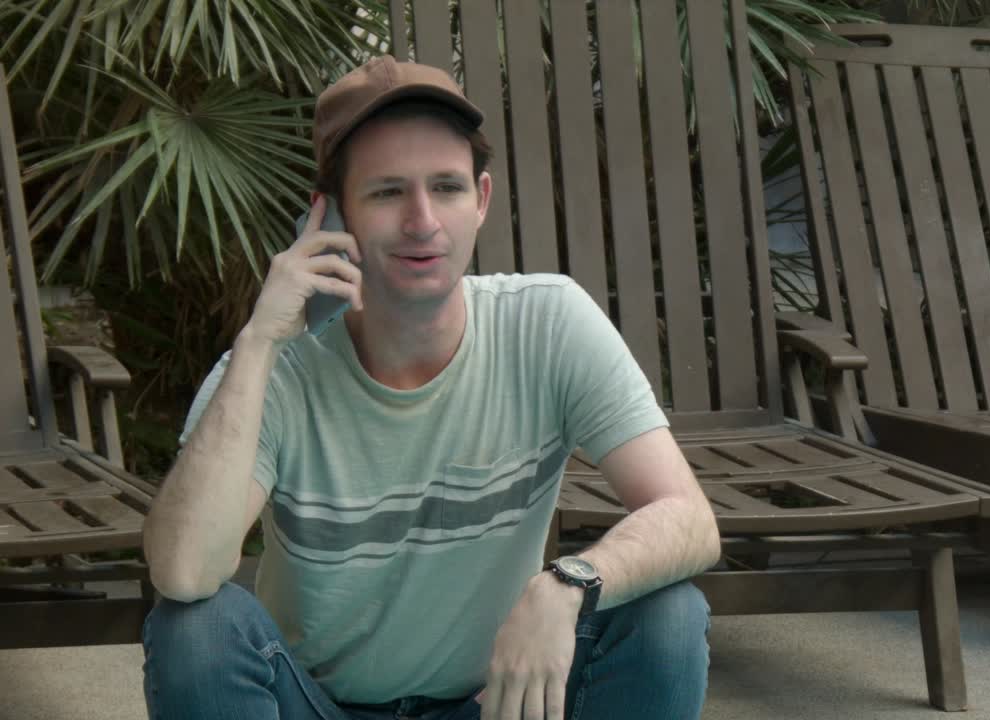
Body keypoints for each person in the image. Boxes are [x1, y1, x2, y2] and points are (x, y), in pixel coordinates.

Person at [140, 55, 721, 720]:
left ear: (481, 200)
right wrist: (258, 342)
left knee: (667, 611)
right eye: (388, 192)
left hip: (495, 705)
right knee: (197, 630)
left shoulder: (548, 323)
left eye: (446, 187)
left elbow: (688, 518)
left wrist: (568, 584)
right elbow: (183, 572)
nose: (423, 221)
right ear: (333, 216)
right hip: (318, 707)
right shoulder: (274, 365)